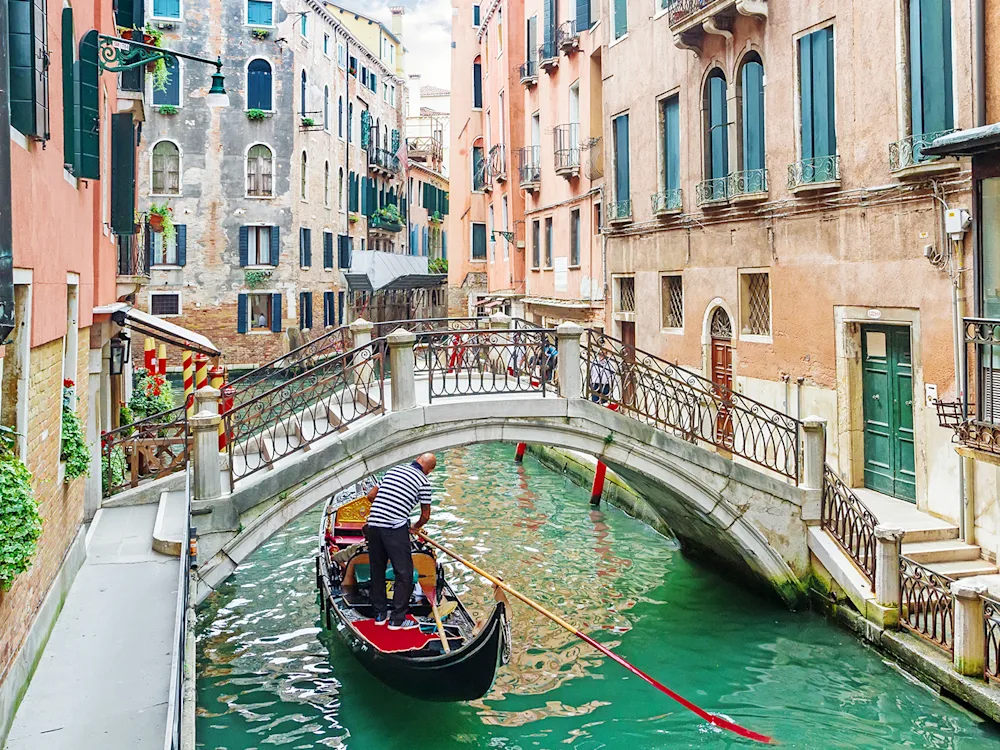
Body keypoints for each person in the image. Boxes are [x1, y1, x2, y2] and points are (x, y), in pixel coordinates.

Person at [365, 453, 437, 630]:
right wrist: (415, 526)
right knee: (404, 573)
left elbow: (371, 495)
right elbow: (425, 515)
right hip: (393, 528)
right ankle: (397, 620)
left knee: (377, 569)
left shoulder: (394, 470)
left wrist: (385, 508)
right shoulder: (423, 482)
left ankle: (380, 615)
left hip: (373, 525)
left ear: (418, 459)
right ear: (429, 470)